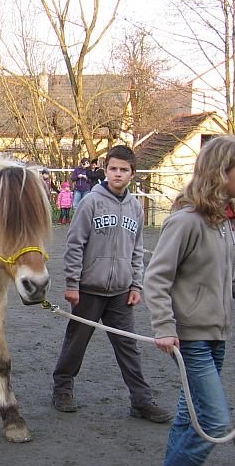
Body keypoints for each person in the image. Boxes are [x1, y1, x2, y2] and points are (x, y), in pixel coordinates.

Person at [145, 135, 235, 466]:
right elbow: (157, 277)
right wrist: (164, 328)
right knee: (214, 420)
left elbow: (223, 273)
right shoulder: (186, 220)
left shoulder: (225, 221)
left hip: (216, 335)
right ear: (221, 172)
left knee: (187, 419)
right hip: (191, 338)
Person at [51, 144, 171, 424]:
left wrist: (136, 286)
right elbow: (74, 244)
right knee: (76, 342)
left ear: (132, 173)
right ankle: (62, 387)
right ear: (105, 171)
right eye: (113, 168)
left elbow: (137, 249)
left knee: (128, 348)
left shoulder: (135, 208)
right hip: (89, 289)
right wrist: (72, 283)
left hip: (120, 292)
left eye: (124, 170)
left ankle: (141, 400)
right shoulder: (90, 202)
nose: (118, 174)